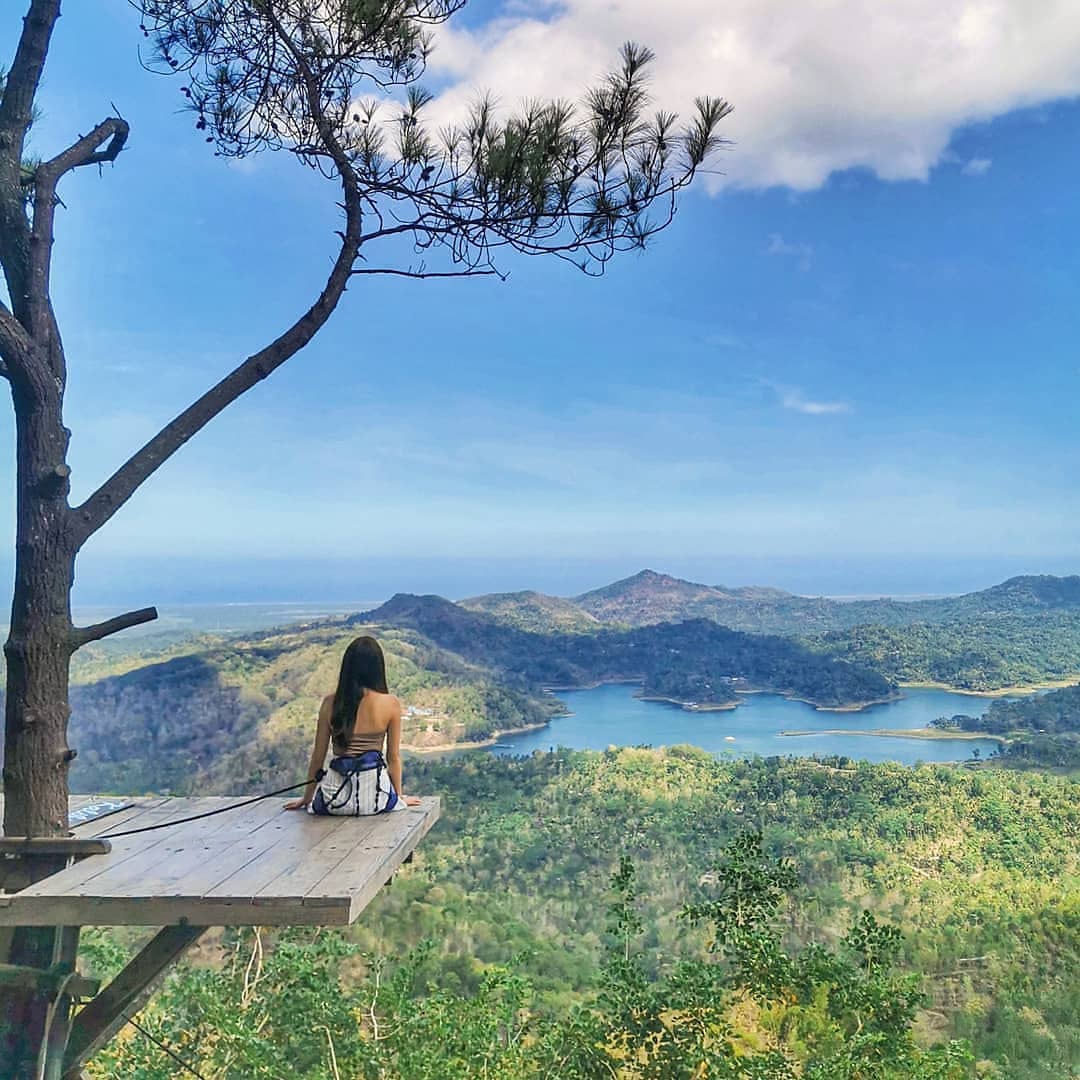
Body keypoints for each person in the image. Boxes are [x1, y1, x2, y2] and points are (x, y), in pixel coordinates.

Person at [285, 635, 421, 813]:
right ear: (378, 669)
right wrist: (398, 797)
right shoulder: (390, 704)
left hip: (334, 800)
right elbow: (393, 758)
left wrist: (307, 798)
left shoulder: (330, 703)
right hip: (375, 799)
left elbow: (318, 758)